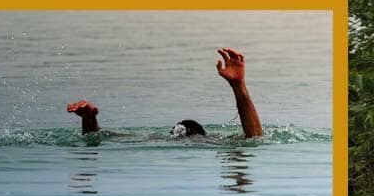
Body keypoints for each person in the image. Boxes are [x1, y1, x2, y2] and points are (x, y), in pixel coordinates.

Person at [67, 47, 263, 138]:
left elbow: (98, 136)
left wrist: (89, 119)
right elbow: (254, 137)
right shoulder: (214, 142)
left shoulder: (153, 139)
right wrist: (239, 87)